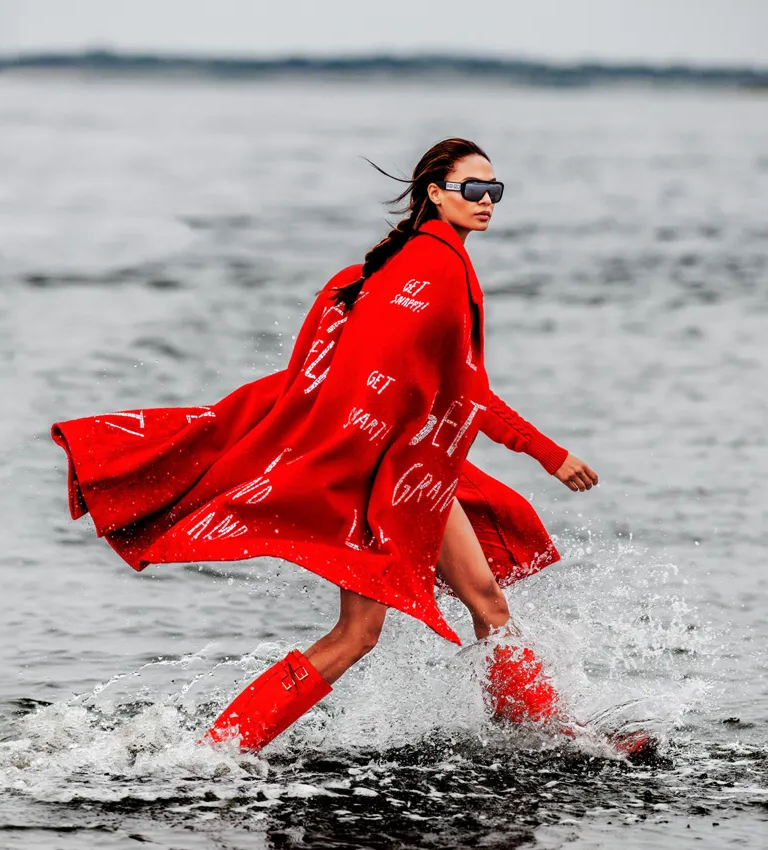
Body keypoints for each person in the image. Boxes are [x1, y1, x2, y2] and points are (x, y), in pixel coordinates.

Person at [52, 138, 623, 755]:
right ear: (435, 194)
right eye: (472, 190)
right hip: (382, 473)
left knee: (486, 604)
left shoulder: (394, 265)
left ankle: (554, 739)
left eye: (495, 191)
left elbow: (376, 374)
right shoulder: (433, 267)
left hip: (407, 471)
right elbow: (459, 388)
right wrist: (546, 453)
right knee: (358, 634)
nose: (486, 202)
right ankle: (221, 749)